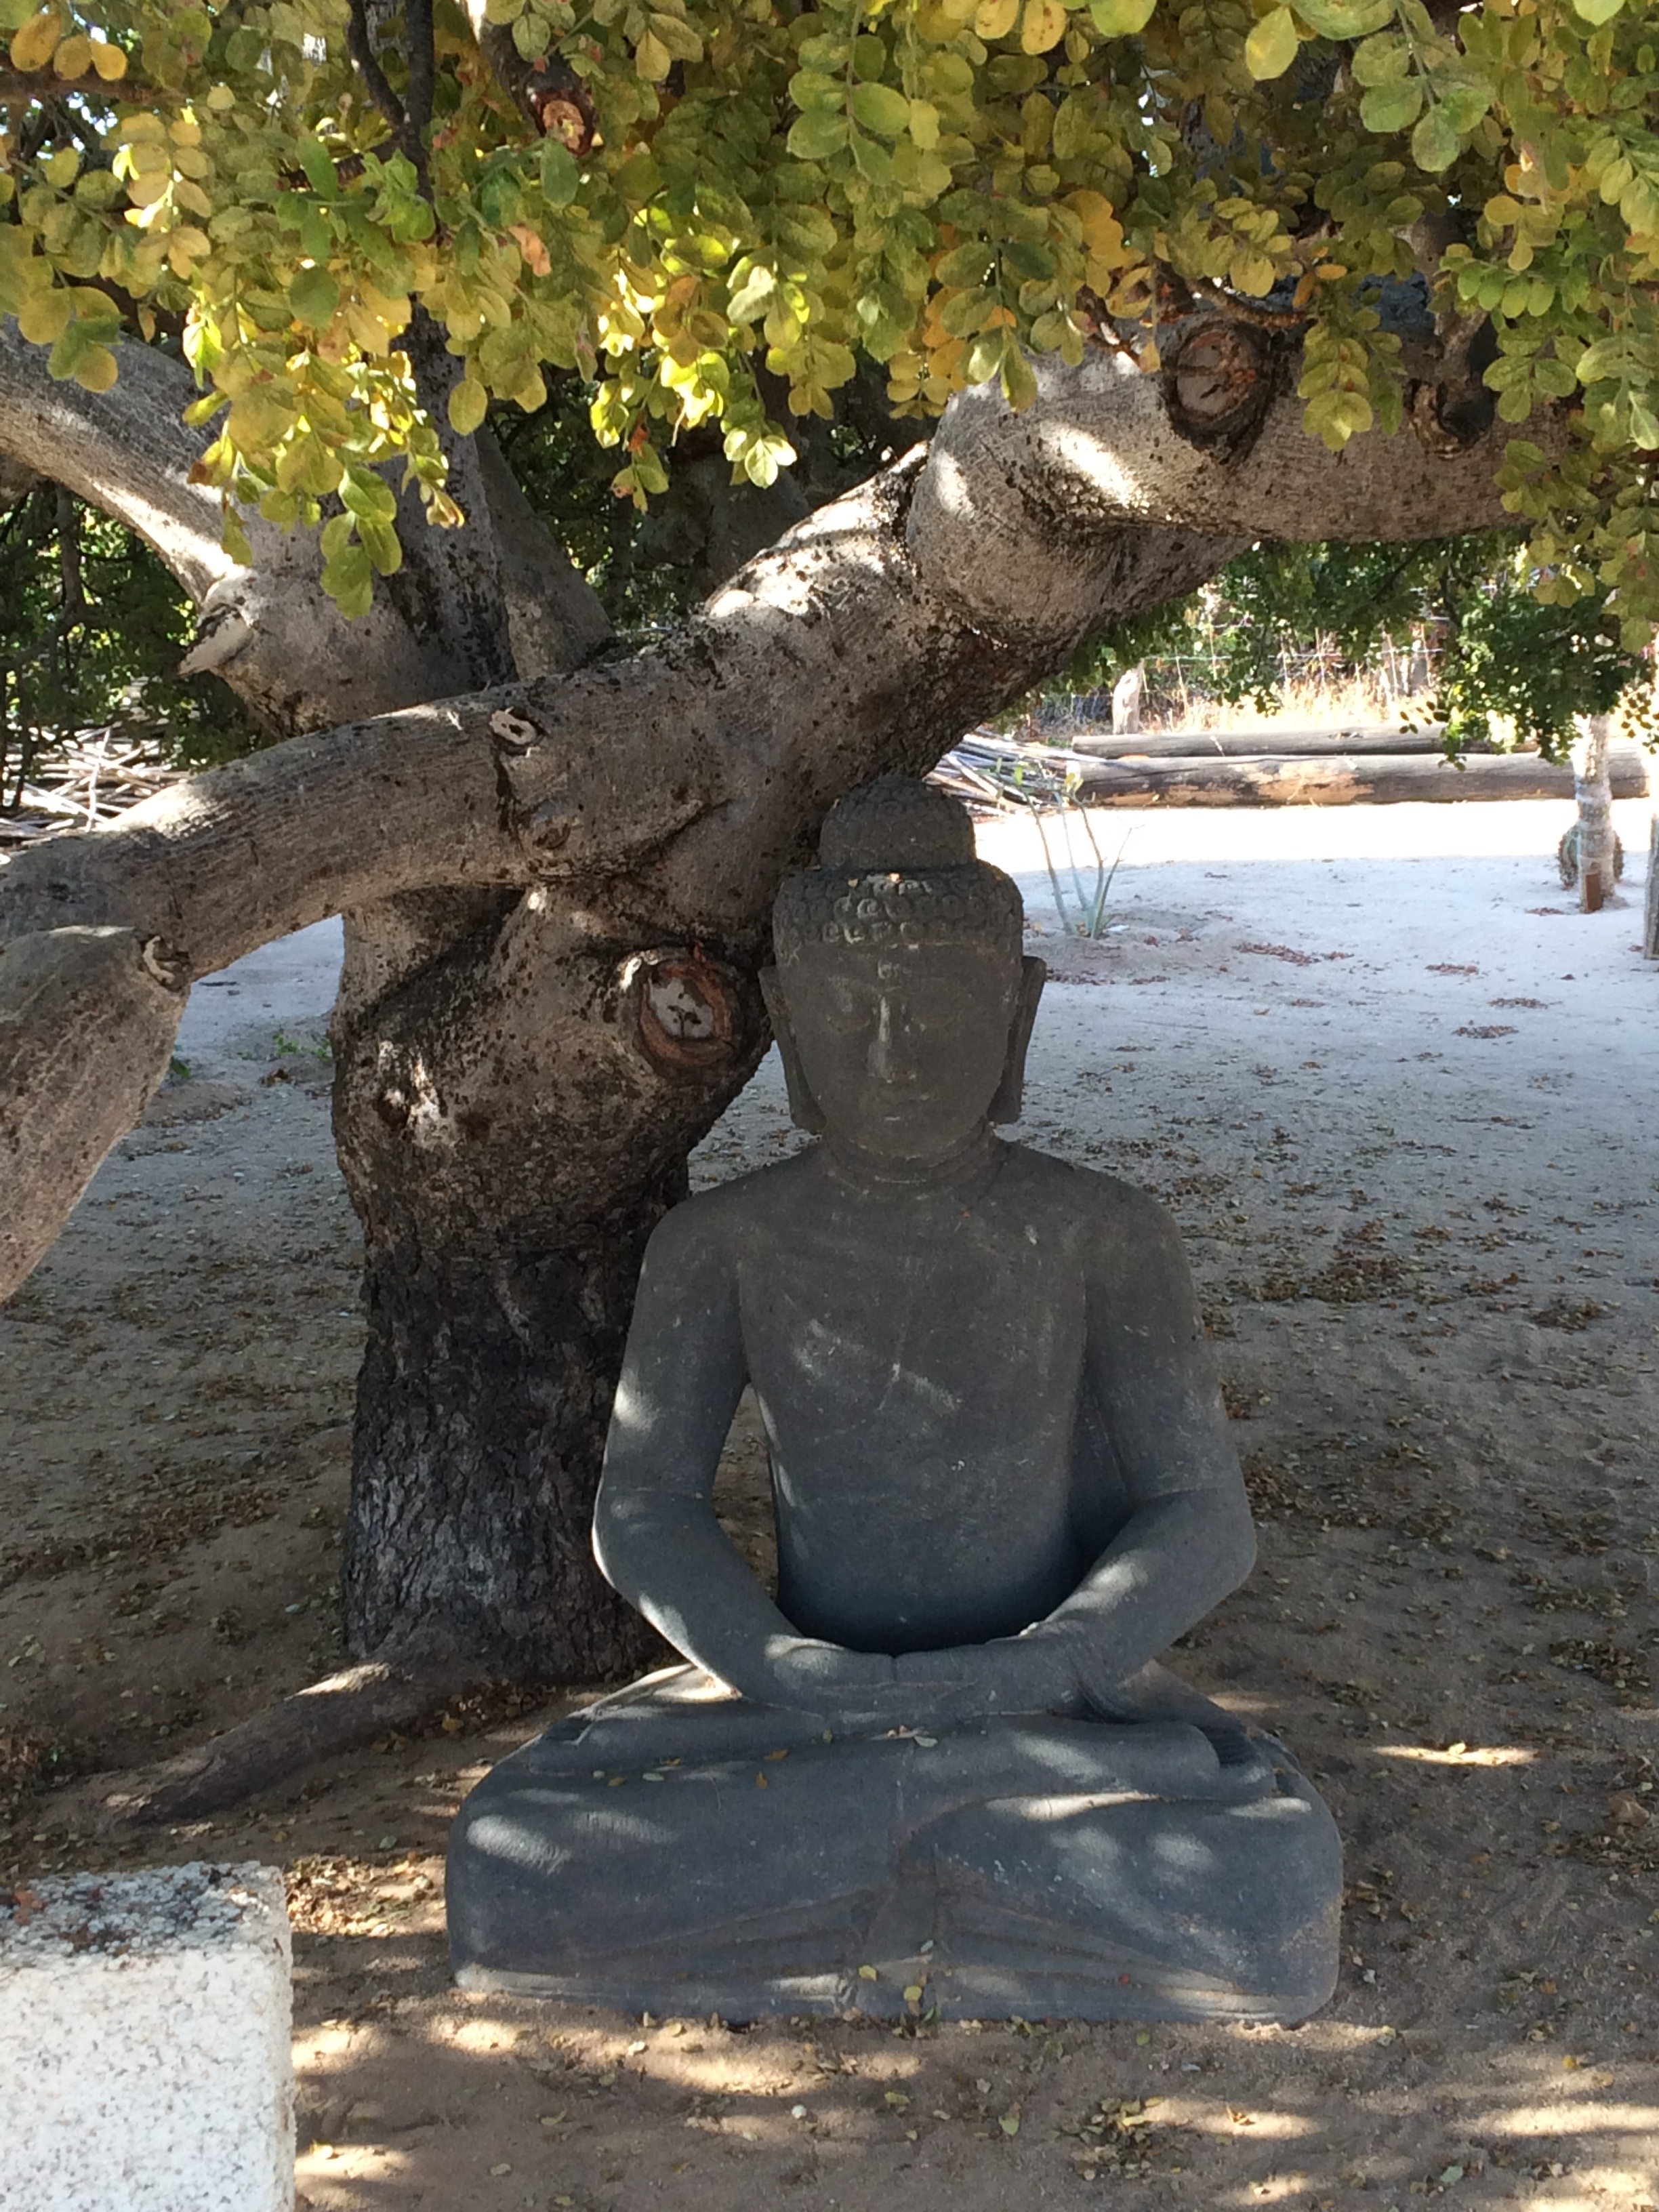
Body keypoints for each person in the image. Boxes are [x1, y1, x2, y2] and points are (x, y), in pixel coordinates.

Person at [447, 777, 1340, 2022]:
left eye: (935, 1010)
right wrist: (776, 1663)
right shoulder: (721, 1245)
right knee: (513, 1848)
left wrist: (1052, 1659)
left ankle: (881, 1876)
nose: (890, 1053)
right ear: (788, 1031)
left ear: (1015, 1017)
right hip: (801, 1702)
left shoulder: (1101, 1233)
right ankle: (962, 1880)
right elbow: (644, 1508)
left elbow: (1202, 1512)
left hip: (1046, 1705)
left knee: (1268, 1864)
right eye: (847, 1012)